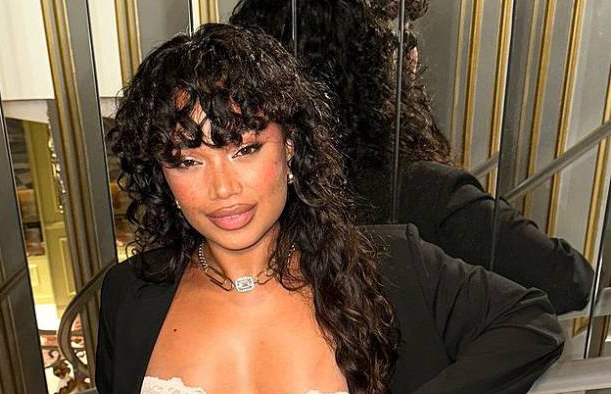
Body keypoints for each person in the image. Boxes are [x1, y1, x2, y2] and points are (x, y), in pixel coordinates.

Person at [93, 24, 563, 394]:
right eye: (188, 161)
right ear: (162, 174)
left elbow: (530, 322)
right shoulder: (130, 293)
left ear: (290, 148)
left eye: (246, 150)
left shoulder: (391, 266)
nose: (222, 188)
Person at [229, 0, 593, 316]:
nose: (412, 54)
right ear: (368, 68)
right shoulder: (424, 192)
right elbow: (569, 279)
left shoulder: (244, 197)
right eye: (399, 40)